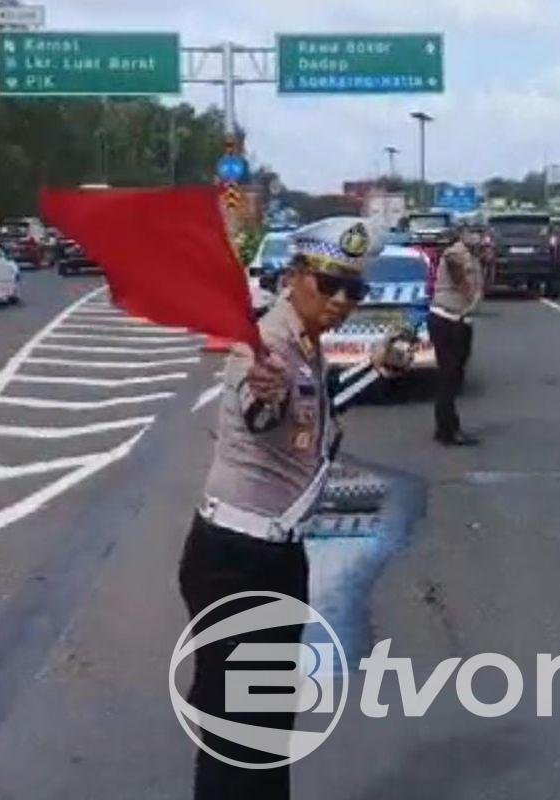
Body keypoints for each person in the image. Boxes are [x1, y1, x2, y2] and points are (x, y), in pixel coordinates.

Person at [178, 218, 385, 800]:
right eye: (329, 284)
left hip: (274, 555)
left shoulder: (304, 343)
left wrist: (376, 369)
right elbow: (262, 411)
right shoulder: (264, 349)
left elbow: (313, 412)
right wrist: (263, 395)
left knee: (265, 726)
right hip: (236, 562)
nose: (342, 301)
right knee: (239, 734)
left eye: (355, 290)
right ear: (295, 278)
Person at [429, 227, 484, 446]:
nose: (478, 238)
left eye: (480, 234)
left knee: (455, 375)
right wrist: (469, 292)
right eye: (473, 234)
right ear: (462, 236)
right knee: (449, 377)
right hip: (448, 319)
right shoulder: (455, 254)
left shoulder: (471, 254)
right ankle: (448, 431)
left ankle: (444, 426)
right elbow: (460, 277)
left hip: (460, 319)